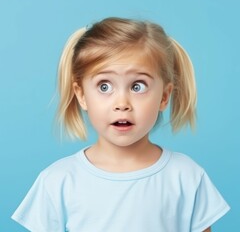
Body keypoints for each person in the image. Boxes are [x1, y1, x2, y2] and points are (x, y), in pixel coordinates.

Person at [12, 17, 230, 232]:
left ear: (164, 97)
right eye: (104, 86)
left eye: (137, 86)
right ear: (82, 95)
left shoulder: (187, 176)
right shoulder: (58, 181)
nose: (122, 104)